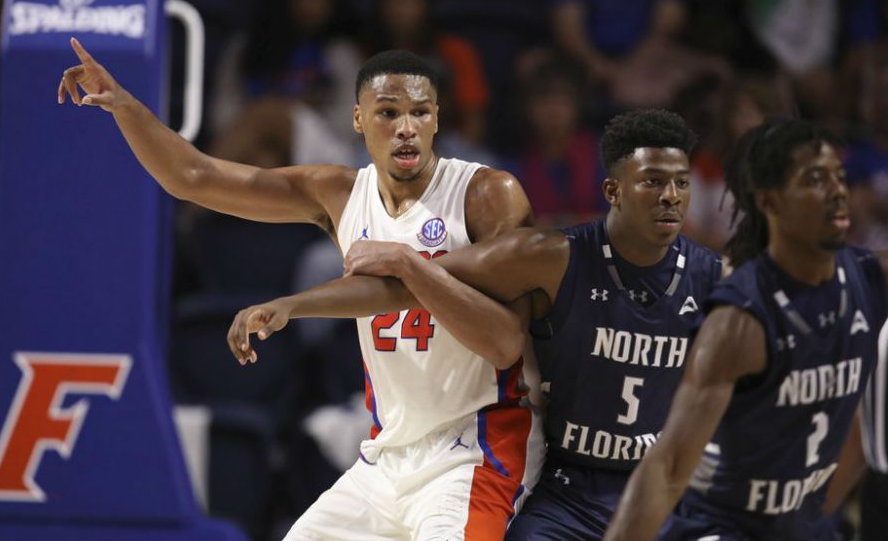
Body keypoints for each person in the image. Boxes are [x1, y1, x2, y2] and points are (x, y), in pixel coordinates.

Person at [58, 40, 540, 540]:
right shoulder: (340, 194)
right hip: (388, 453)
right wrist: (124, 105)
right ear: (357, 119)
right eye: (389, 112)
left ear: (438, 119)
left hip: (477, 447)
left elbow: (506, 342)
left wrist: (408, 265)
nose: (405, 127)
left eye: (420, 112)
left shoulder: (486, 194)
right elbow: (194, 176)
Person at [228, 109, 723, 539]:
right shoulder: (548, 256)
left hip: (664, 486)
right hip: (567, 487)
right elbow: (405, 288)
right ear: (613, 190)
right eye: (654, 182)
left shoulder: (715, 280)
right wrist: (297, 304)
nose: (671, 197)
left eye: (681, 183)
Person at [604, 117, 888, 541]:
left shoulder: (869, 279)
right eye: (815, 179)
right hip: (723, 528)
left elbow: (859, 436)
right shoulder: (740, 322)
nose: (837, 191)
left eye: (839, 176)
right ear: (771, 202)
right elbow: (667, 467)